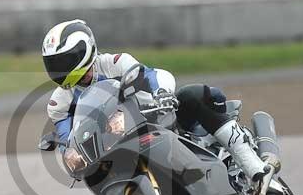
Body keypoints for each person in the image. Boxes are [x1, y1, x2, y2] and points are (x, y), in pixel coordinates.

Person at [42, 19, 269, 182]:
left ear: (85, 51)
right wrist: (69, 154)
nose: (59, 70)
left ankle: (251, 164)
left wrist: (161, 93)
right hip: (115, 150)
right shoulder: (58, 104)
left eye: (64, 61)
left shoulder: (116, 63)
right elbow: (68, 138)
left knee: (191, 95)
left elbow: (152, 76)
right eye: (54, 64)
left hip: (156, 121)